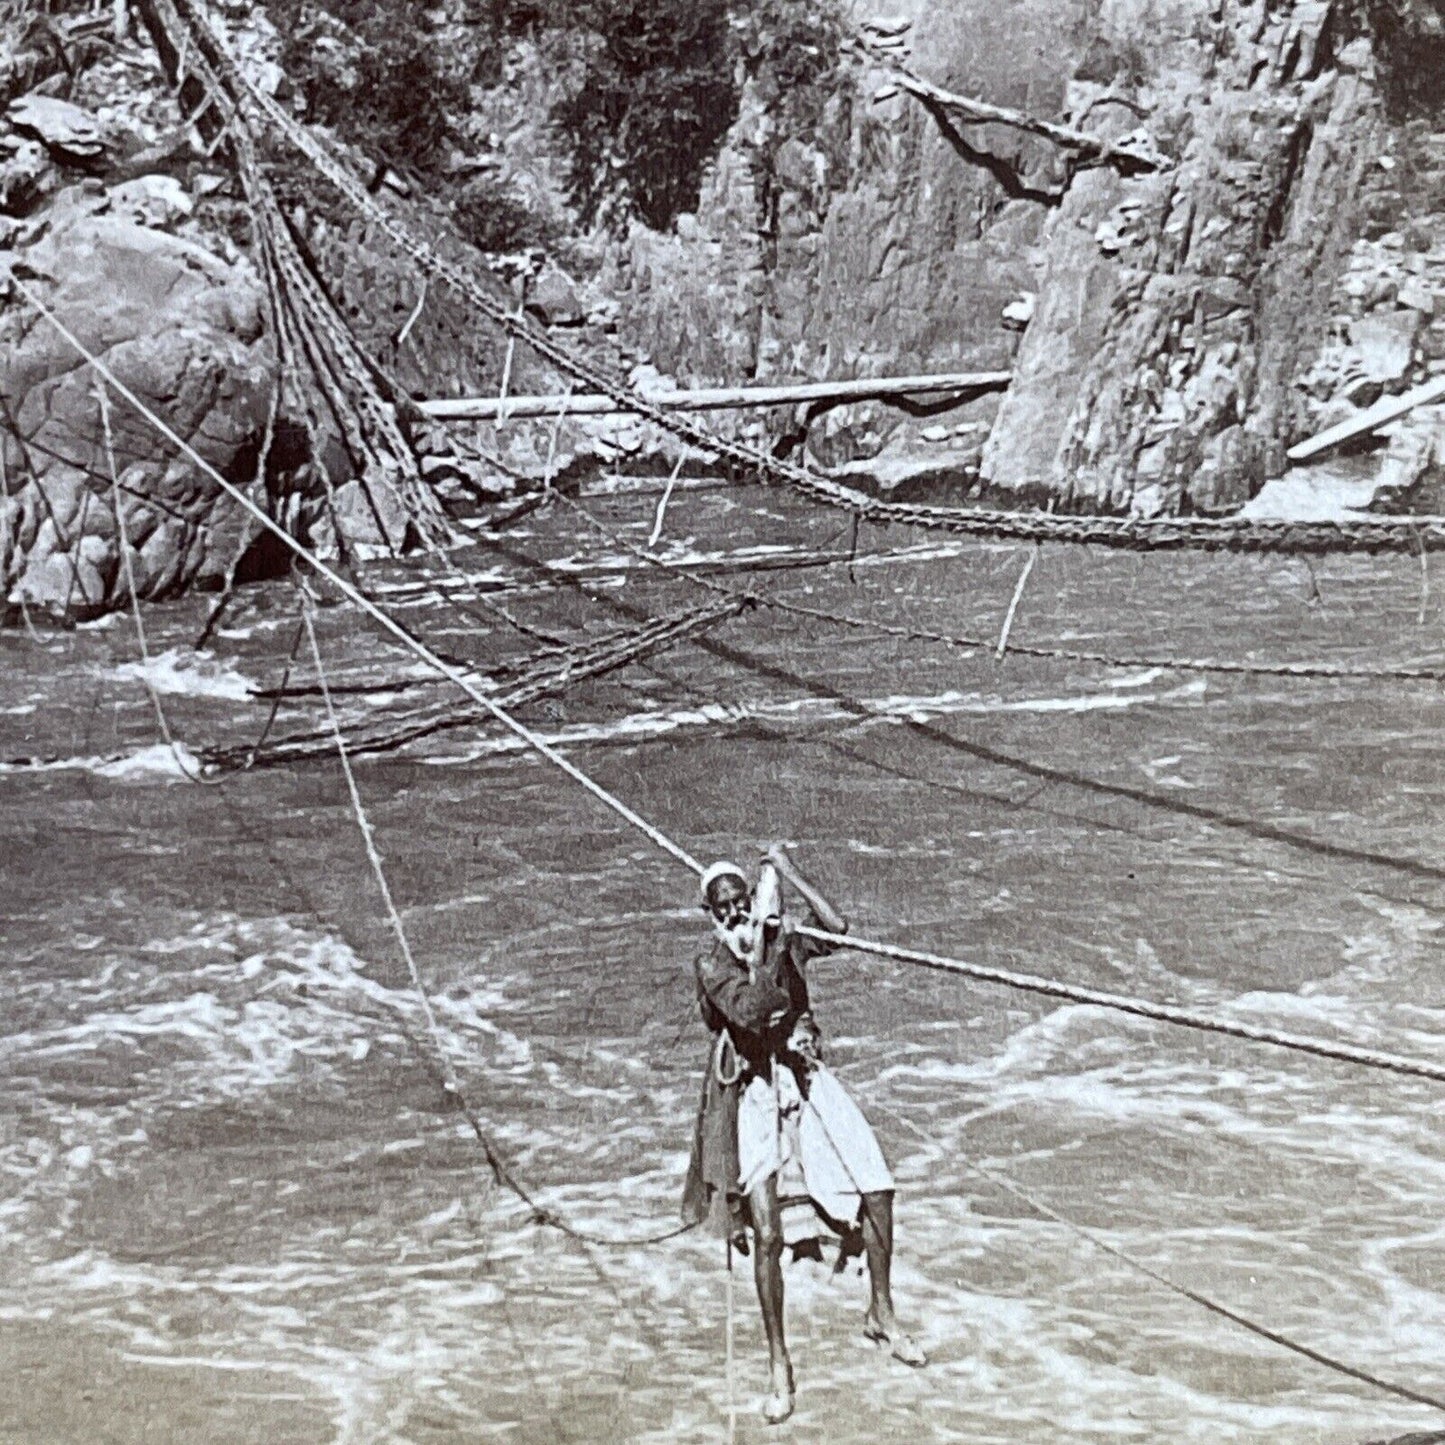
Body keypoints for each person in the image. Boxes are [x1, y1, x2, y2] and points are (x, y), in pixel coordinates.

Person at [682, 844, 926, 1424]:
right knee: (767, 1236)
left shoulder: (779, 935)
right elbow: (752, 1012)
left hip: (799, 1075)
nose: (736, 913)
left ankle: (881, 1314)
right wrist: (766, 942)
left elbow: (837, 930)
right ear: (710, 914)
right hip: (751, 1089)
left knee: (877, 1187)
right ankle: (778, 1364)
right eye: (725, 908)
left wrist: (786, 876)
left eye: (742, 901)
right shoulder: (711, 962)